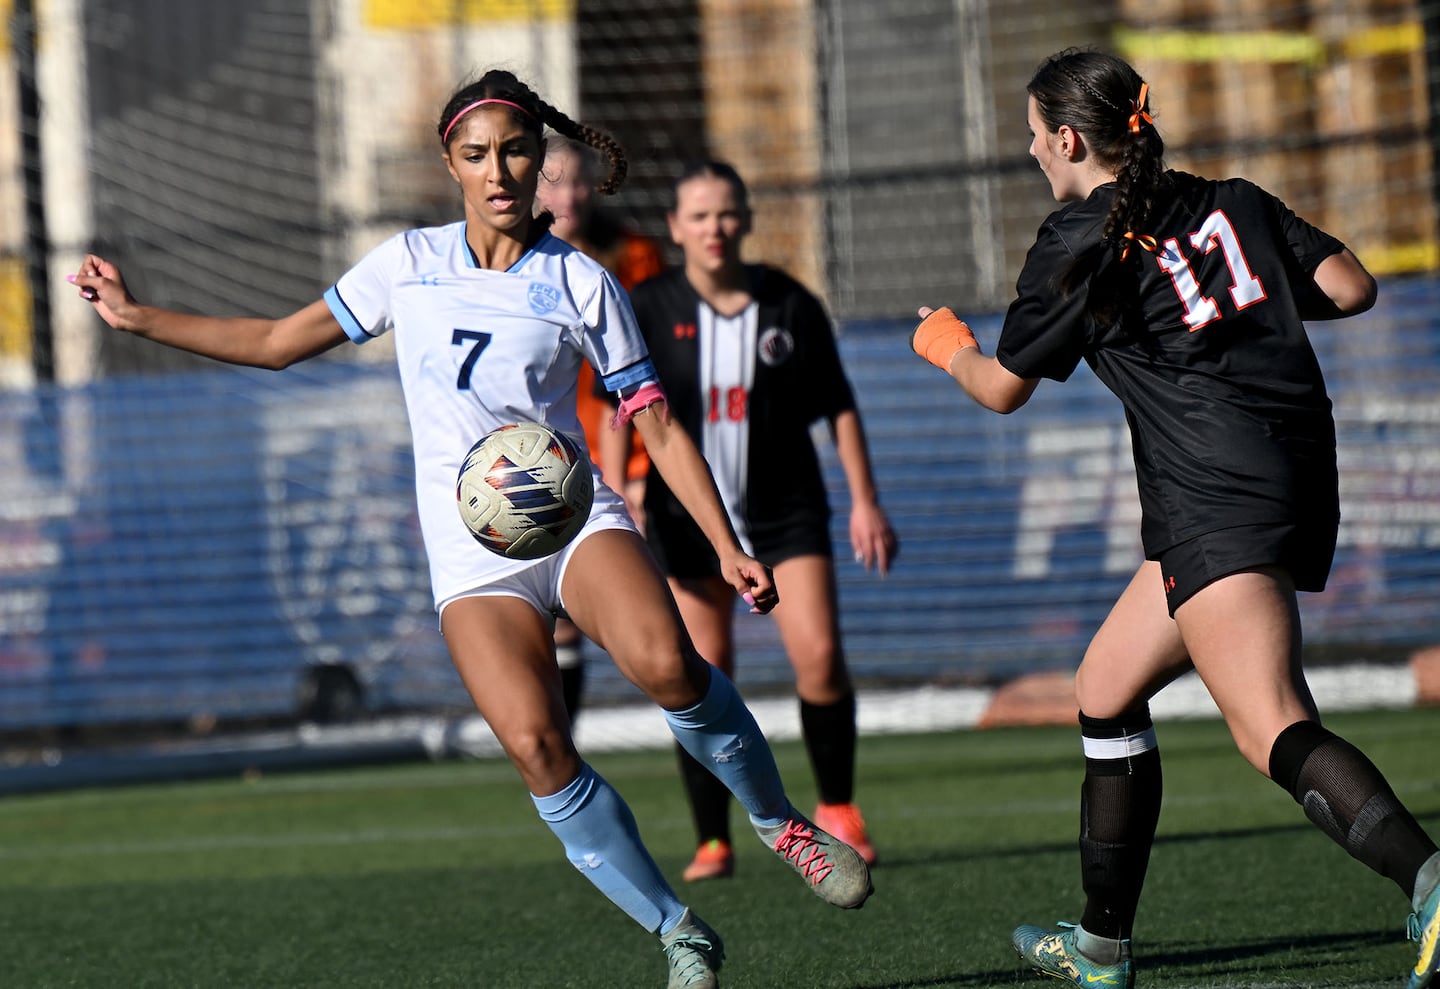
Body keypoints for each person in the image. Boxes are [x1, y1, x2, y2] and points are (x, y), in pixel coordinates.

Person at [69, 69, 873, 989]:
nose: (499, 171)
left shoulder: (579, 278)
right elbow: (275, 344)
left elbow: (654, 422)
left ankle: (781, 824)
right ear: (450, 163)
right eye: (477, 154)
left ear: (542, 162)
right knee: (536, 745)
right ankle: (677, 929)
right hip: (470, 553)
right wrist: (135, 316)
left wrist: (726, 544)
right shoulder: (406, 262)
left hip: (574, 522)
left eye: (517, 150)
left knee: (666, 662)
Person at [909, 48, 1440, 989]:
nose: (1031, 149)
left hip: (1212, 491)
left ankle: (1431, 878)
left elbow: (999, 388)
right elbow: (1353, 287)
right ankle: (1104, 946)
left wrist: (944, 343)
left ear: (1069, 138)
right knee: (1107, 685)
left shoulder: (1078, 240)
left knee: (1270, 723)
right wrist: (1242, 306)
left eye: (1034, 134)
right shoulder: (1228, 196)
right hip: (1291, 470)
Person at [611, 161, 897, 882]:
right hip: (687, 521)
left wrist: (865, 499)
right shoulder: (646, 304)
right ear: (676, 228)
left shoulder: (789, 303)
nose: (715, 228)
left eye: (727, 213)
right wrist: (619, 489)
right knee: (698, 675)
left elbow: (838, 405)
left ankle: (837, 807)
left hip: (785, 510)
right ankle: (714, 837)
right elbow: (621, 407)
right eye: (699, 216)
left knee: (821, 657)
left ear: (747, 218)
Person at [535, 136, 664, 721]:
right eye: (555, 181)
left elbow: (638, 379)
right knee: (552, 624)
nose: (570, 194)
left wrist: (631, 473)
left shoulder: (631, 259)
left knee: (658, 620)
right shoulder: (506, 267)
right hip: (546, 464)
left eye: (579, 180)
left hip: (630, 463)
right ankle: (562, 749)